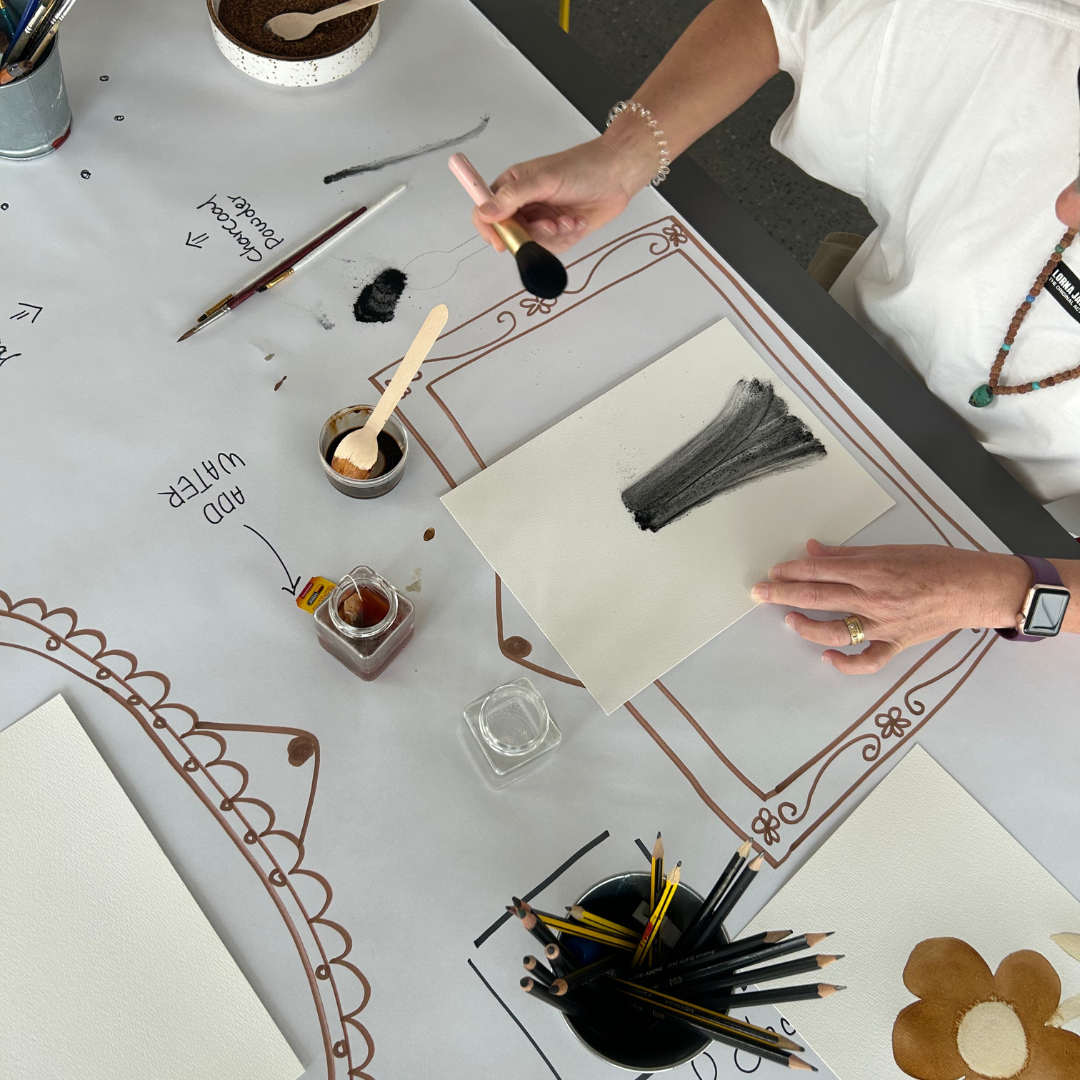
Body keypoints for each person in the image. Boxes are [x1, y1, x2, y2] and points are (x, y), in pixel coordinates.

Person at [468, 0, 1080, 673]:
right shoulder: (1038, 40)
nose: (1063, 206)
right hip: (826, 366)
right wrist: (622, 158)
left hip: (1013, 539)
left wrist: (1013, 593)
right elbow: (784, 14)